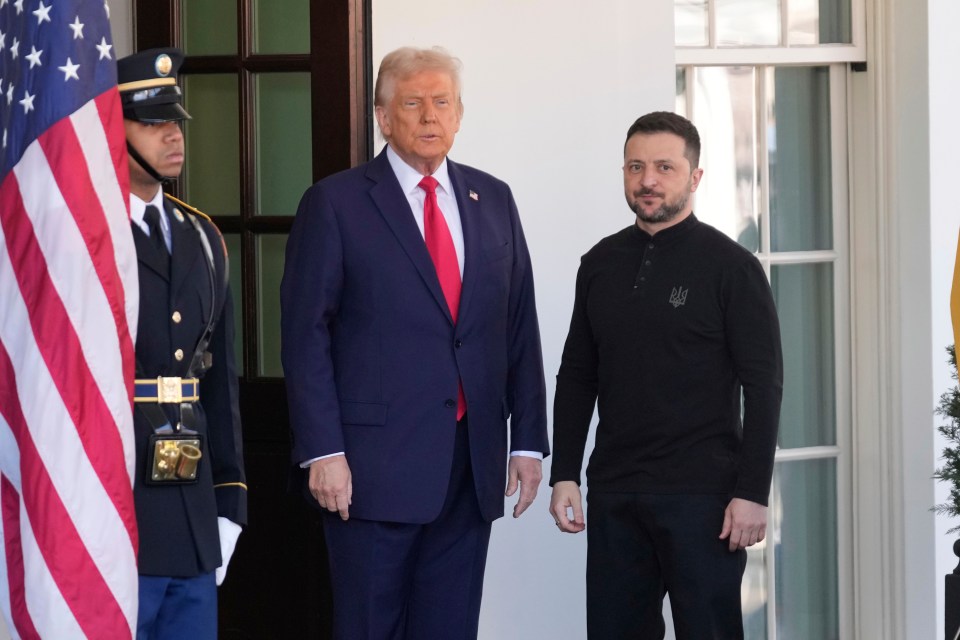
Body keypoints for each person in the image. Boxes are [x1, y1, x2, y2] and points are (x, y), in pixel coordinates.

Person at [281, 46, 549, 639]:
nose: (430, 116)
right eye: (412, 102)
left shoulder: (493, 198)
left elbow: (518, 326)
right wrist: (322, 450)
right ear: (383, 116)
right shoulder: (335, 203)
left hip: (469, 467)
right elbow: (306, 338)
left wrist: (527, 441)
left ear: (459, 115)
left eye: (442, 102)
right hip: (369, 472)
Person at [549, 111, 783, 639]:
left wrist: (753, 492)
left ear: (695, 177)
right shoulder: (600, 263)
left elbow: (763, 388)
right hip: (615, 492)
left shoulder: (733, 268)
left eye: (663, 167)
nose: (647, 180)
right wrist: (566, 471)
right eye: (635, 166)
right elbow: (578, 375)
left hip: (705, 500)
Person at [119, 48, 246, 640]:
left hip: (191, 509)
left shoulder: (203, 237)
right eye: (152, 123)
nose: (174, 135)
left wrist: (230, 498)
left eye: (176, 121)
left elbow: (217, 381)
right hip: (115, 507)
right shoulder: (84, 235)